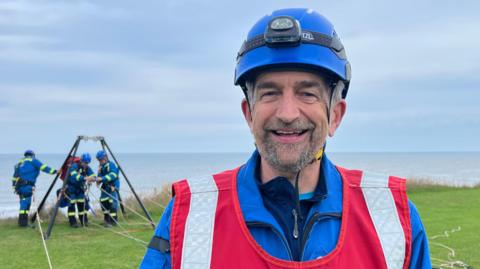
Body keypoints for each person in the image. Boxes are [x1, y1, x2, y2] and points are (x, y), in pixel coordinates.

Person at [140, 8, 431, 269]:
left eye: (307, 93)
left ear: (335, 116)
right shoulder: (190, 216)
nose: (288, 113)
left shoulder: (392, 217)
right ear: (248, 114)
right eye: (270, 93)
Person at [12, 150, 57, 227]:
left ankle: (23, 223)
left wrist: (14, 188)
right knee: (25, 204)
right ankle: (23, 224)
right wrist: (55, 171)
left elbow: (14, 177)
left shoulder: (19, 163)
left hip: (19, 187)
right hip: (27, 186)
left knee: (24, 202)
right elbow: (44, 167)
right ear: (33, 155)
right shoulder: (33, 161)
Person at [88, 150, 120, 227]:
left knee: (112, 203)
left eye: (101, 159)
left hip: (112, 186)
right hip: (105, 187)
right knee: (103, 202)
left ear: (105, 158)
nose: (100, 161)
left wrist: (102, 179)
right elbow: (100, 177)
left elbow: (113, 175)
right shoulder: (102, 167)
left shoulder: (111, 165)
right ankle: (106, 220)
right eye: (99, 160)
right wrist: (96, 178)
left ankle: (113, 221)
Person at [65, 153, 95, 228]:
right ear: (81, 160)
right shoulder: (74, 166)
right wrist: (84, 178)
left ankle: (84, 221)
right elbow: (75, 175)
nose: (86, 164)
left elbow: (93, 175)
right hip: (71, 188)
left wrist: (92, 178)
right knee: (71, 205)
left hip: (80, 189)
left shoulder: (87, 168)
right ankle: (73, 222)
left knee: (82, 205)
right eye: (85, 162)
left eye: (87, 163)